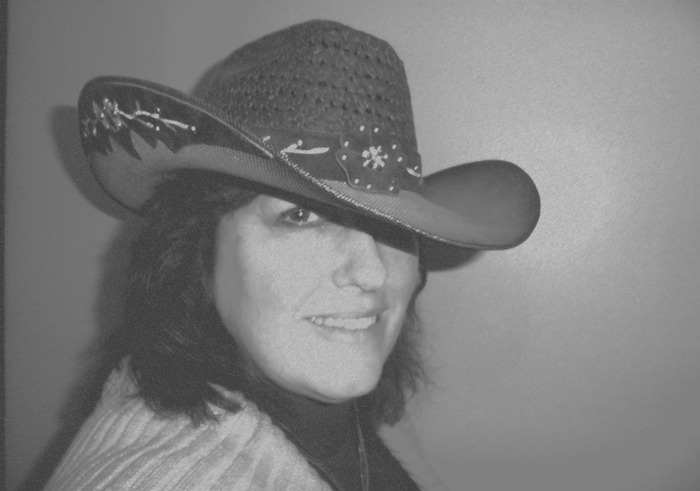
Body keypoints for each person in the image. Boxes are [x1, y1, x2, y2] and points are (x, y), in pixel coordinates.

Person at [46, 19, 539, 490]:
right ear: (199, 252)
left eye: (393, 225)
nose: (371, 272)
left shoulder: (354, 405)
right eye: (300, 216)